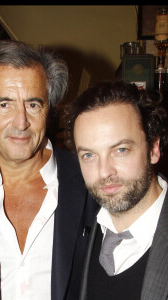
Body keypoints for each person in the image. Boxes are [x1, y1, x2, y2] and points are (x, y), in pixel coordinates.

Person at [0, 39, 98, 300]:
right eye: (4, 104)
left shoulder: (92, 181)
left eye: (33, 104)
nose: (21, 122)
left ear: (48, 110)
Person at [67, 81, 168, 300]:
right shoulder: (86, 229)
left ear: (153, 148)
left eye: (121, 150)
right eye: (89, 155)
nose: (104, 172)